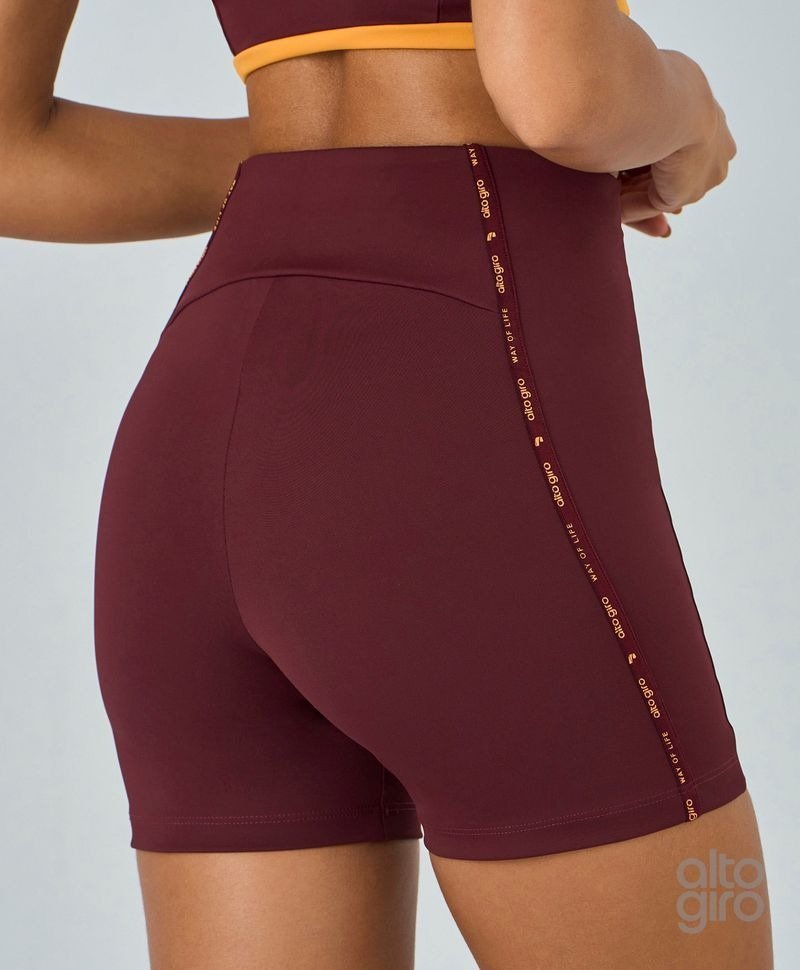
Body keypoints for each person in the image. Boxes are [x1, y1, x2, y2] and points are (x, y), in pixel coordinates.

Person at [1, 1, 773, 967]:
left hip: (193, 438)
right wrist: (689, 113)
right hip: (453, 428)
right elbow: (562, 94)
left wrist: (314, 160)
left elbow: (9, 153)